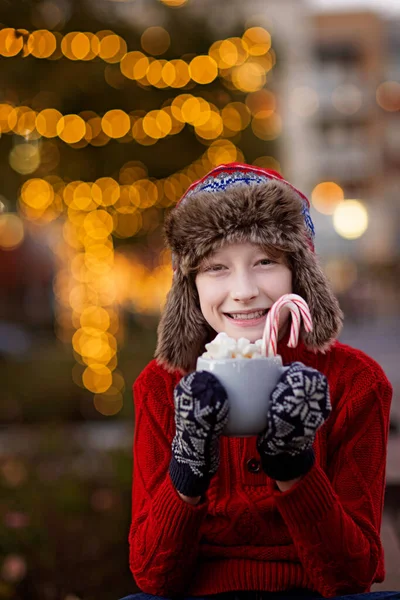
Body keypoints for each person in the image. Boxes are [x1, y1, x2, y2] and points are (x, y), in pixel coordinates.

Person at [121, 163, 397, 600]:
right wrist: (188, 467)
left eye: (265, 261)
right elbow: (153, 578)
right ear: (190, 286)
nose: (244, 289)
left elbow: (352, 576)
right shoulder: (162, 386)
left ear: (299, 273)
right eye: (216, 267)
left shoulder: (354, 382)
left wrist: (294, 469)